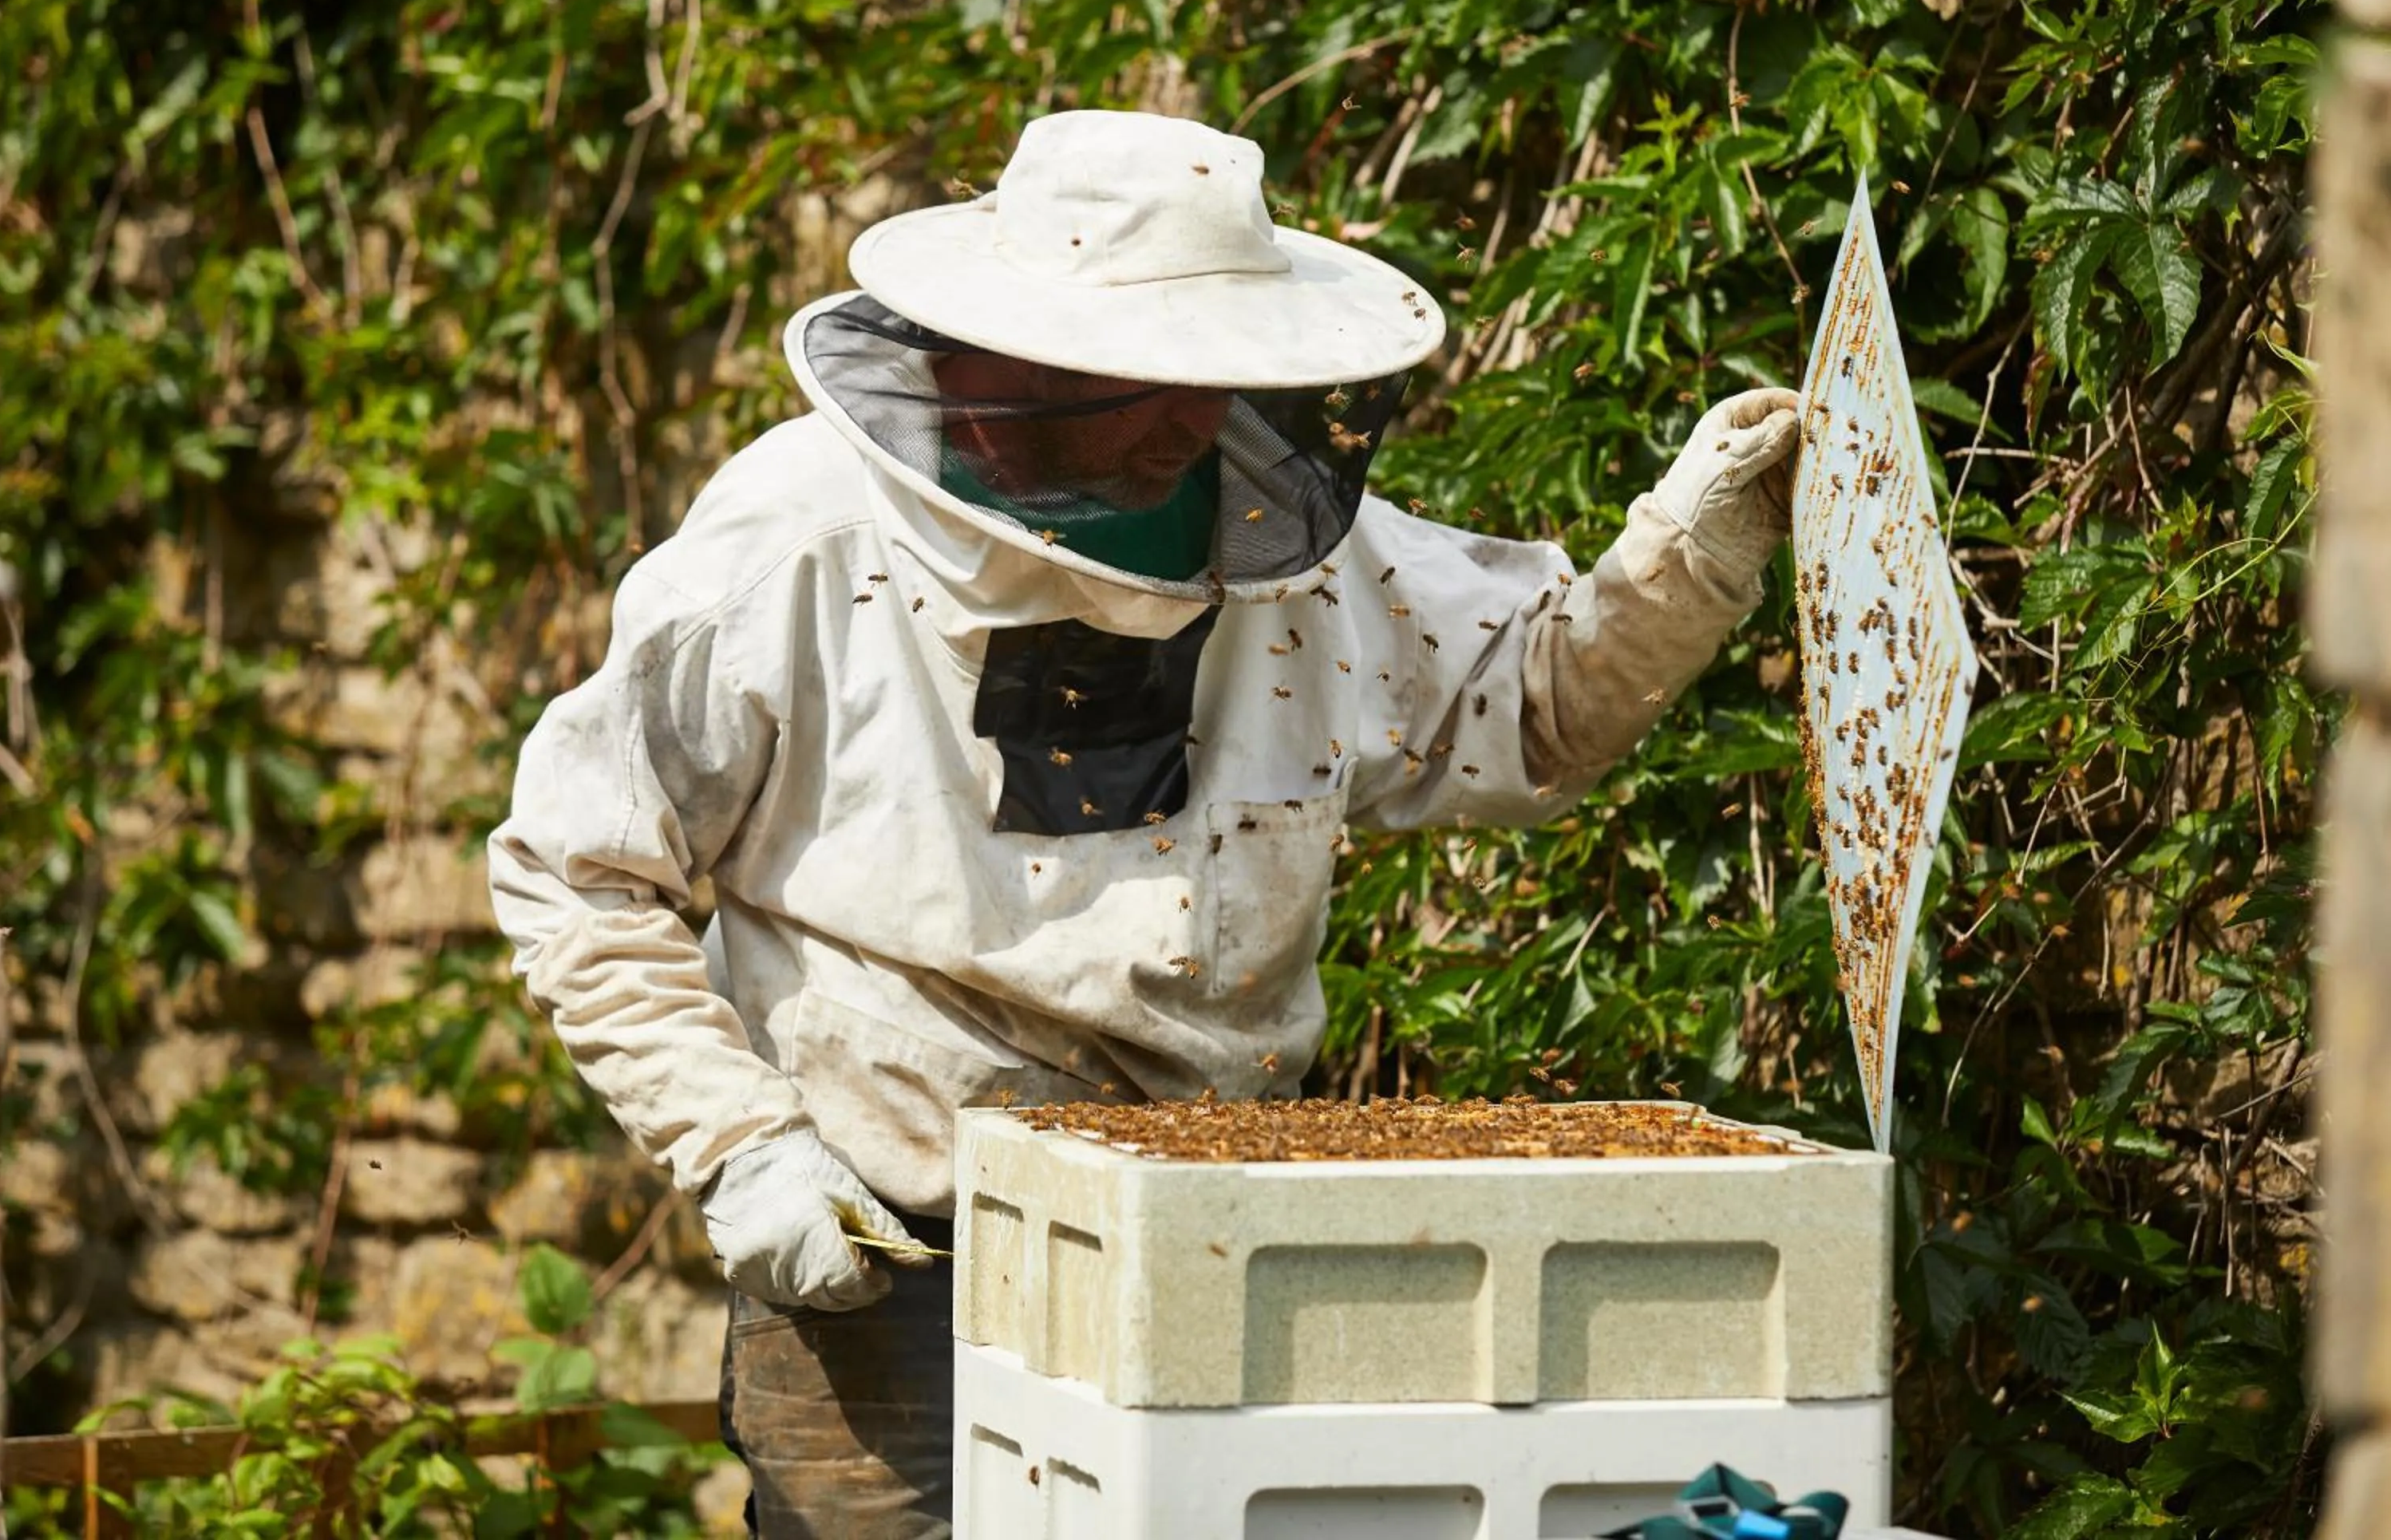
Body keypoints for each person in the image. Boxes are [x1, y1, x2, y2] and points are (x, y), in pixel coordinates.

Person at [486, 108, 1800, 1538]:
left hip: (1220, 1235)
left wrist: (1688, 556)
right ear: (1012, 359)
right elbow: (580, 871)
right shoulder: (792, 547)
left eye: (1222, 376)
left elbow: (1531, 710)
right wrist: (740, 1142)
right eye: (1153, 376)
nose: (1195, 421)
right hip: (895, 1249)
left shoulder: (1296, 550)